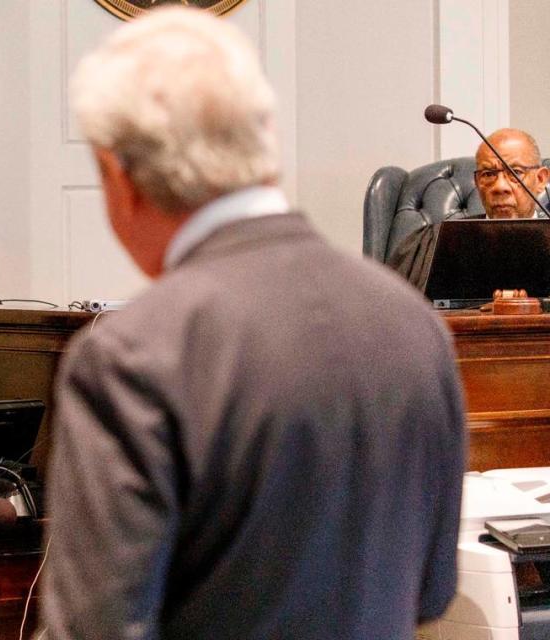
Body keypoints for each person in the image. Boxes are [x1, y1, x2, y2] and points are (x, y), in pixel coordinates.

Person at [41, 8, 466, 640]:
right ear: (263, 144)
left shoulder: (133, 355)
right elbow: (431, 593)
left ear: (117, 176)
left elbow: (96, 630)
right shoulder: (413, 323)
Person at [388, 128, 550, 285]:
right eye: (488, 174)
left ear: (541, 180)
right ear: (478, 183)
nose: (500, 186)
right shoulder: (434, 242)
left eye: (515, 172)